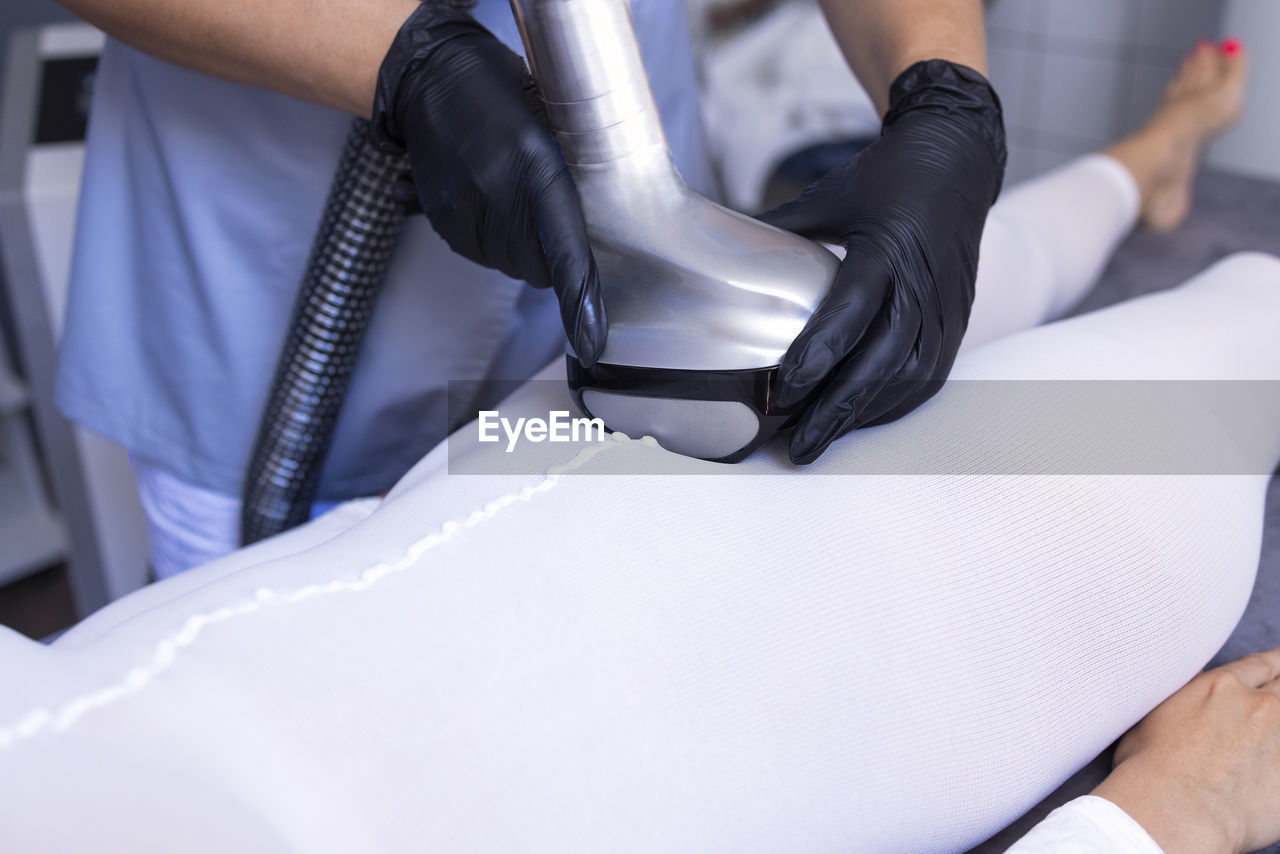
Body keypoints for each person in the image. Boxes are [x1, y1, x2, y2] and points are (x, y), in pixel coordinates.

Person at [5, 38, 1277, 853]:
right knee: (1244, 328)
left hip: (549, 437)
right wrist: (1148, 828)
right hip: (826, 650)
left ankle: (1136, 165)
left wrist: (943, 102)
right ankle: (1149, 165)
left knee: (904, 267)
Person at [50, 0, 1003, 577]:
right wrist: (400, 60)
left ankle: (1159, 154)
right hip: (257, 250)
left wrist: (945, 95)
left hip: (627, 259)